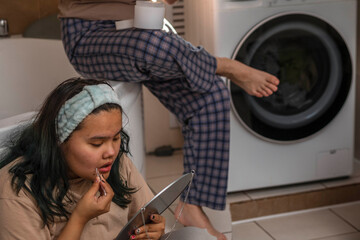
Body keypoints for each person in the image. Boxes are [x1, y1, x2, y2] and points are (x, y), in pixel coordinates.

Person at [58, 1, 280, 239]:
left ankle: (192, 206)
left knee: (212, 95)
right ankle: (224, 65)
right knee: (155, 45)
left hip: (139, 26)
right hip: (90, 33)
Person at [0, 78, 167, 240]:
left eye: (116, 138)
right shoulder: (17, 192)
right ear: (59, 141)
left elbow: (146, 217)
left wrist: (152, 229)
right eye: (96, 143)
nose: (111, 152)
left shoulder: (117, 163)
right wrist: (80, 218)